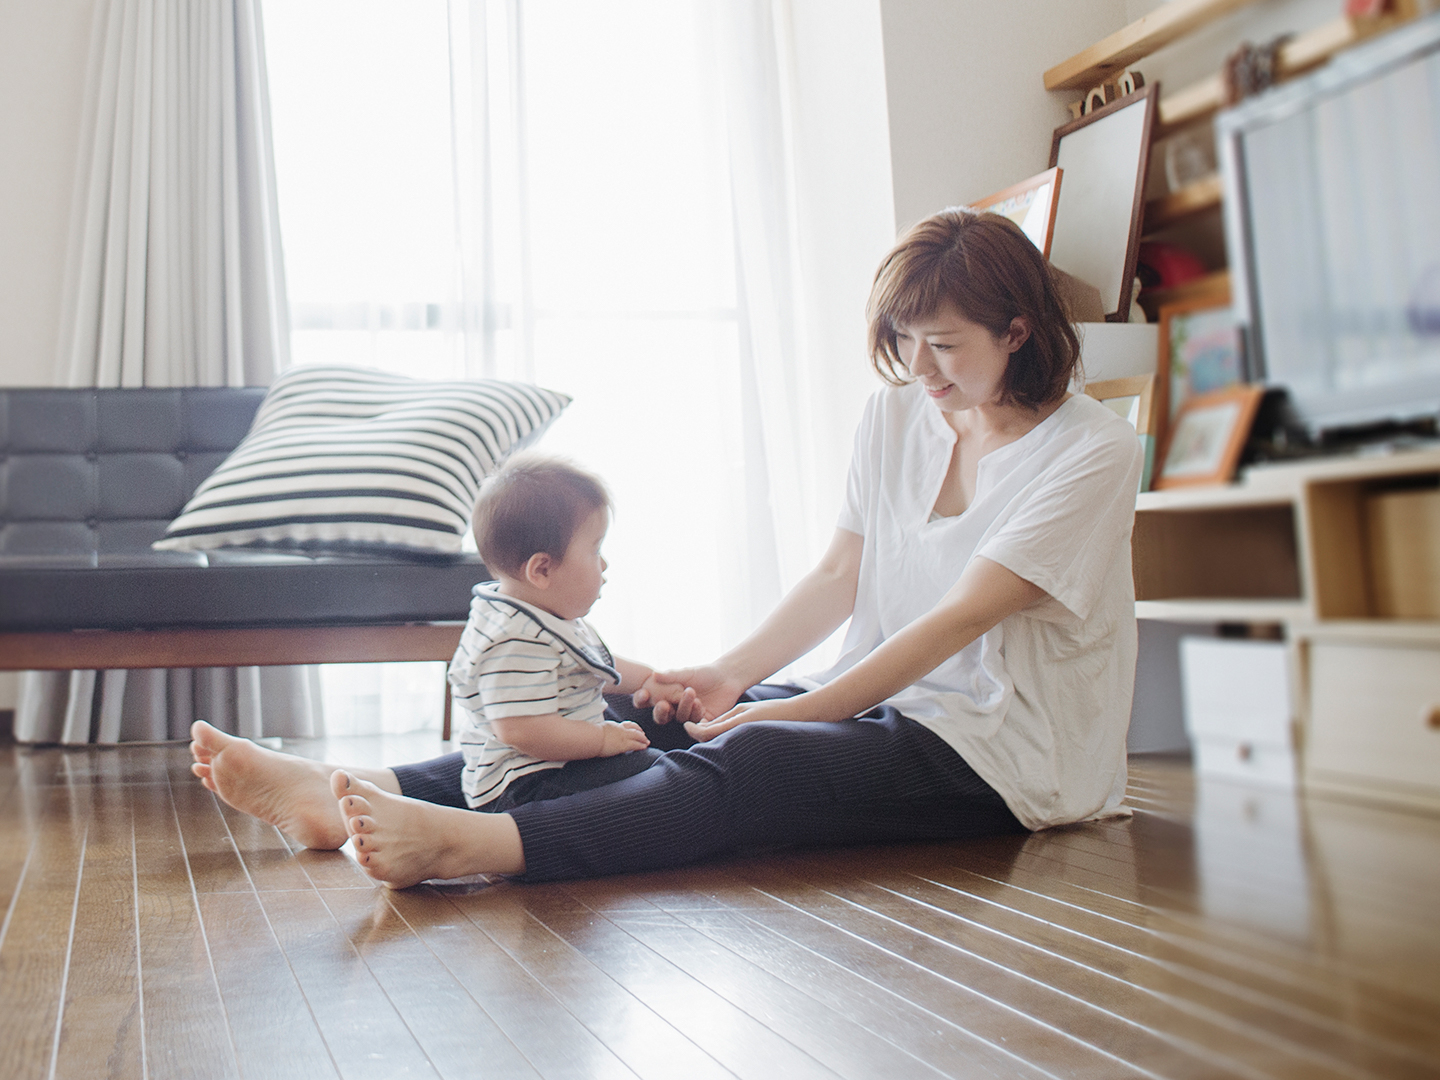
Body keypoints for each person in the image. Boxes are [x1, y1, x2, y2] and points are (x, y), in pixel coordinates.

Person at [190, 208, 1143, 889]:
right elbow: (838, 575)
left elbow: (957, 619)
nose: (920, 371)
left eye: (944, 346)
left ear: (1018, 332)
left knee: (758, 761)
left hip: (1004, 756)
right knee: (646, 710)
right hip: (887, 700)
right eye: (905, 343)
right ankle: (345, 791)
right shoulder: (899, 417)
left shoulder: (1091, 451)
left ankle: (471, 847)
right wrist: (726, 677)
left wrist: (799, 712)